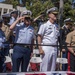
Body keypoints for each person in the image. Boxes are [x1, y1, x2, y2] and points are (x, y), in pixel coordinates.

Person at [37, 7, 59, 71]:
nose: (55, 15)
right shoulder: (44, 25)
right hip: (46, 47)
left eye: (56, 14)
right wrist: (40, 48)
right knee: (45, 67)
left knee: (52, 68)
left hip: (54, 48)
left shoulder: (57, 26)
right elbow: (39, 37)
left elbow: (57, 38)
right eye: (54, 14)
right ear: (49, 15)